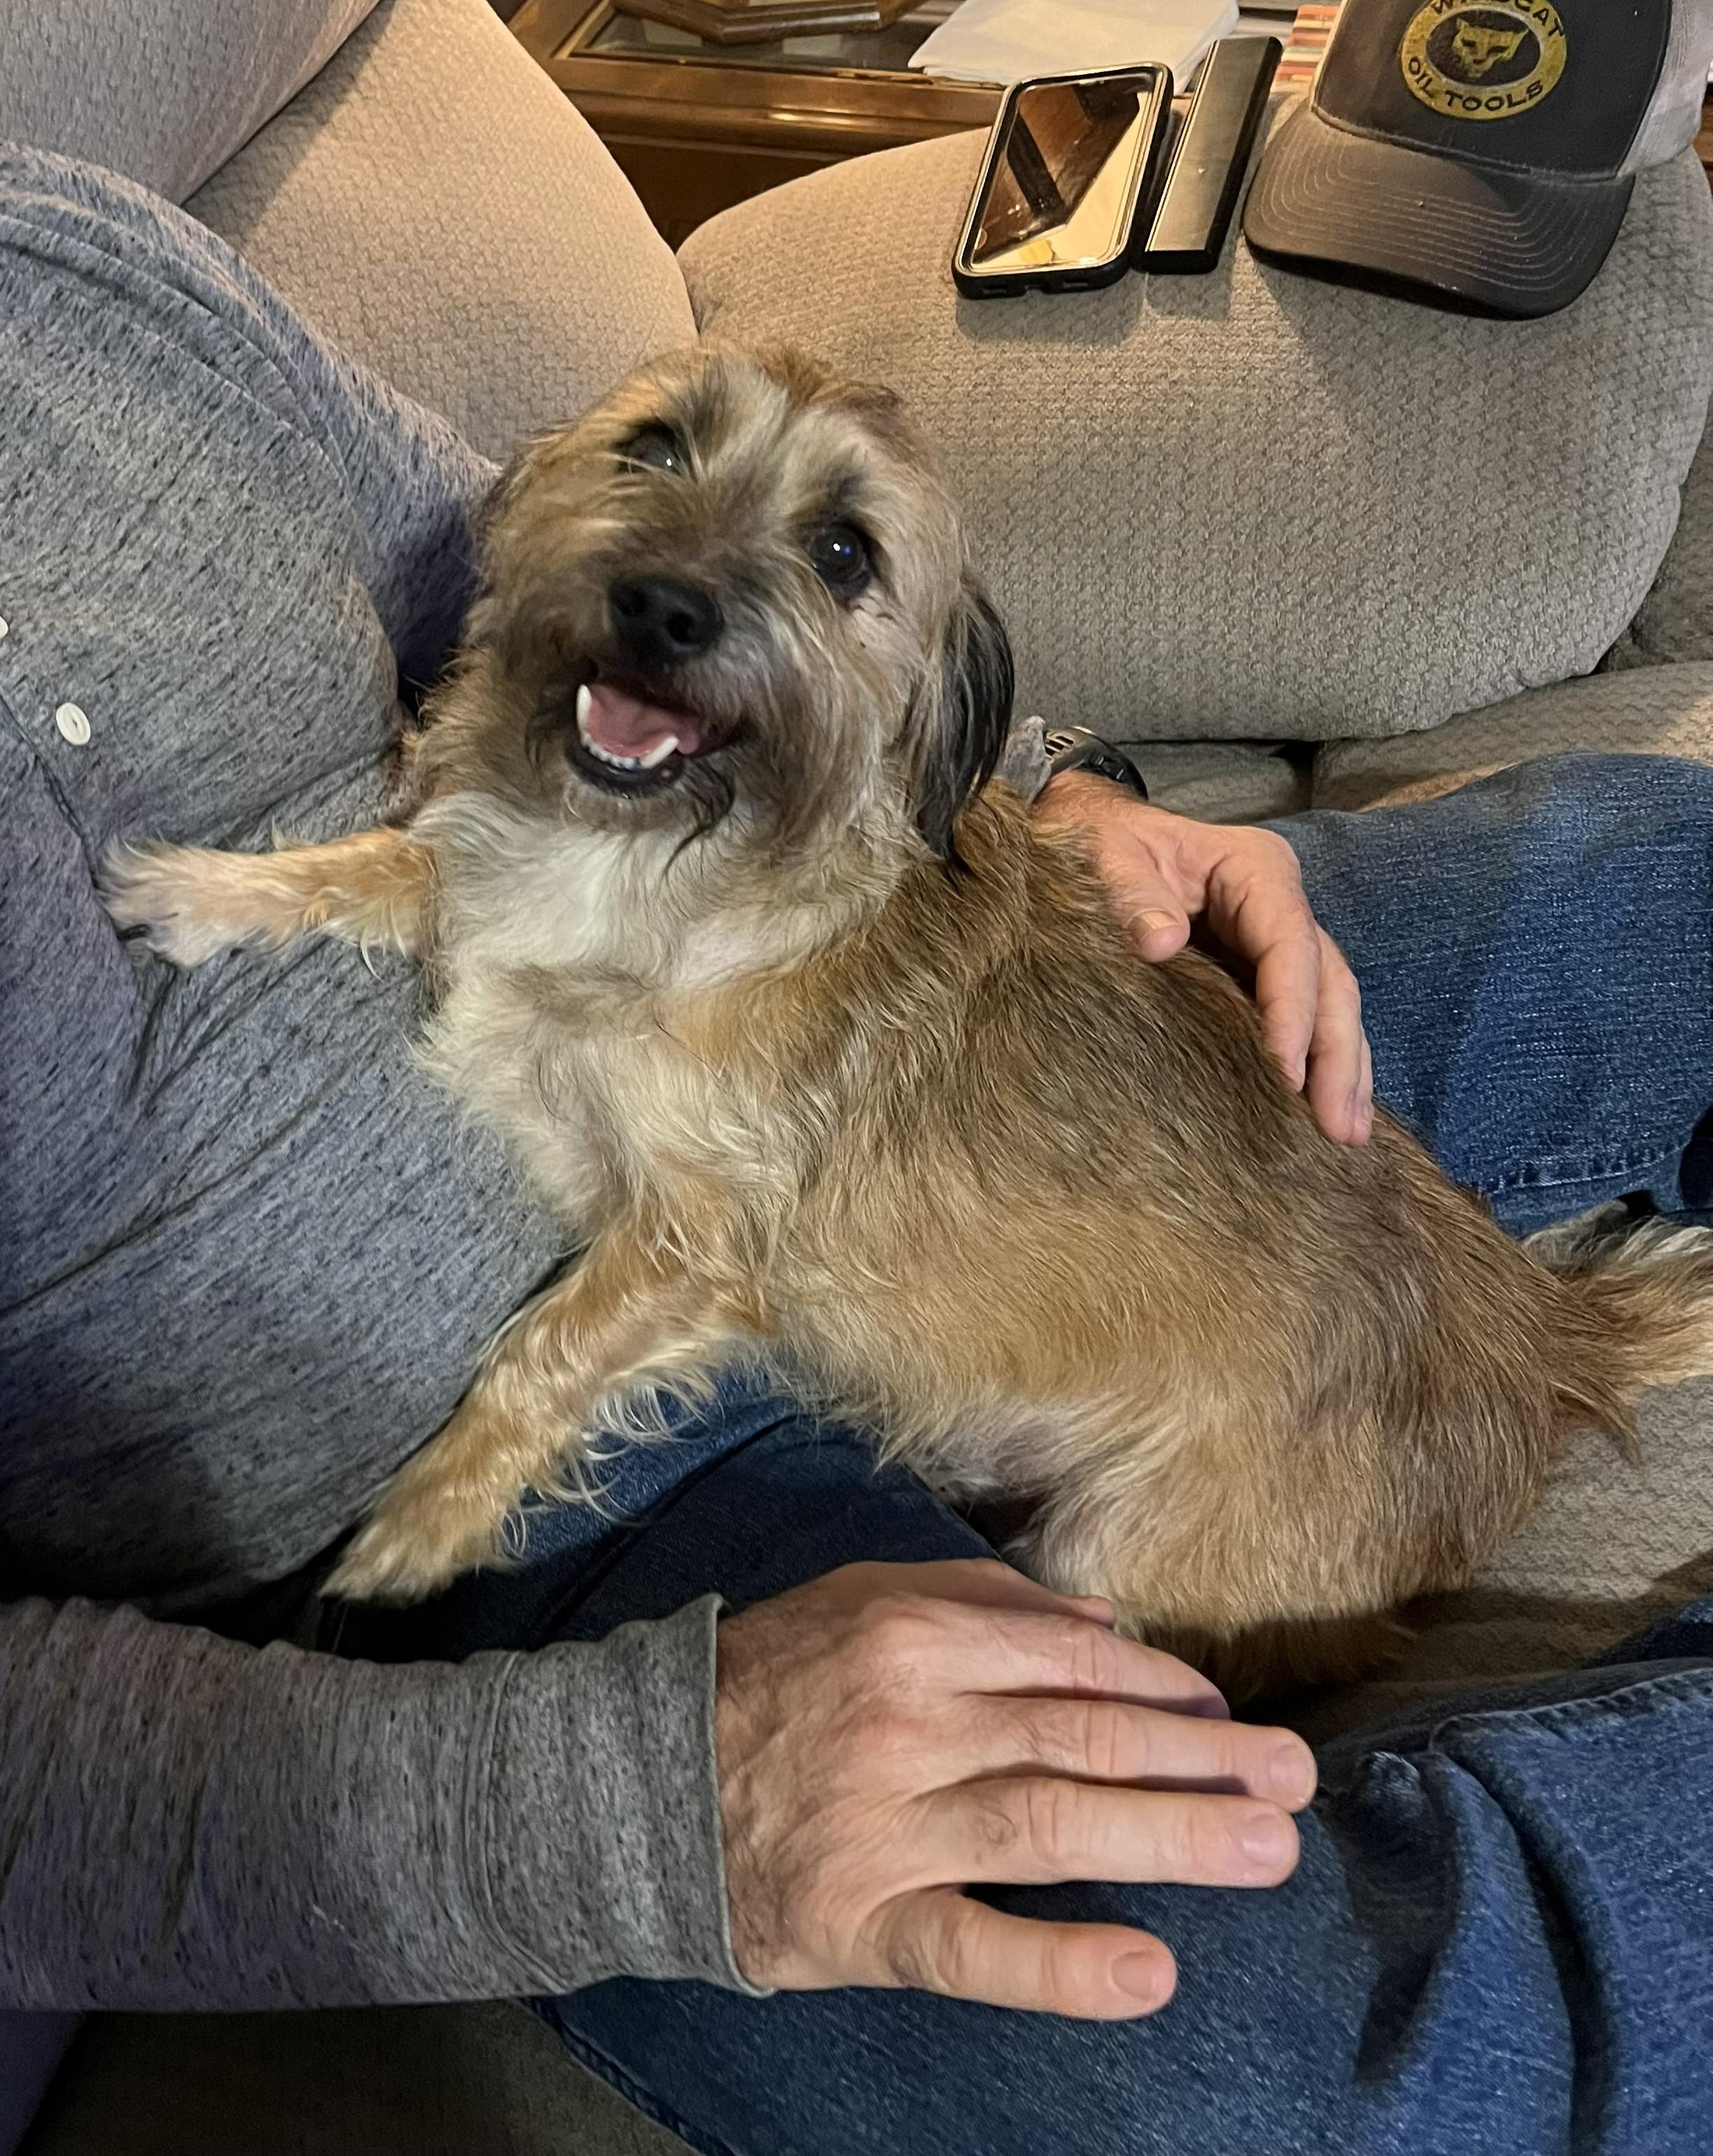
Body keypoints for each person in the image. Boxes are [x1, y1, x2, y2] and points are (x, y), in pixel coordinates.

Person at [2, 141, 1709, 2155]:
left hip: (855, 929)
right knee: (1297, 2075)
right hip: (506, 1494)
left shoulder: (67, 249)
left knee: (1663, 869)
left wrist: (1045, 791)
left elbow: (520, 531)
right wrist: (616, 1806)